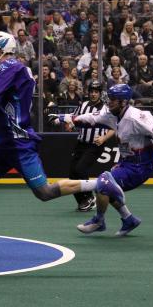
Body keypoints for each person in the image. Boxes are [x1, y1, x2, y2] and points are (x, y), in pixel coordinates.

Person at [0, 32, 104, 248]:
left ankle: (100, 183)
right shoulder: (13, 72)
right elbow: (5, 114)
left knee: (44, 192)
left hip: (18, 143)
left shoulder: (10, 67)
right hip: (3, 142)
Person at [52, 84, 153, 236]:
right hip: (126, 162)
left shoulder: (138, 117)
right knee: (105, 188)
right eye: (109, 98)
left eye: (113, 99)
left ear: (124, 102)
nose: (109, 102)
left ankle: (98, 220)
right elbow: (91, 118)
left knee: (104, 183)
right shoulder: (111, 113)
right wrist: (67, 118)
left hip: (140, 167)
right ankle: (129, 219)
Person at [67, 82, 116, 211]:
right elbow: (76, 118)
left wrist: (103, 138)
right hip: (81, 144)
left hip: (95, 145)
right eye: (92, 91)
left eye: (96, 91)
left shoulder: (105, 109)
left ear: (100, 93)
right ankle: (83, 201)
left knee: (80, 169)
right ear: (88, 92)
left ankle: (90, 197)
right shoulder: (83, 105)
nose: (93, 94)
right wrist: (71, 124)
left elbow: (113, 127)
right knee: (72, 174)